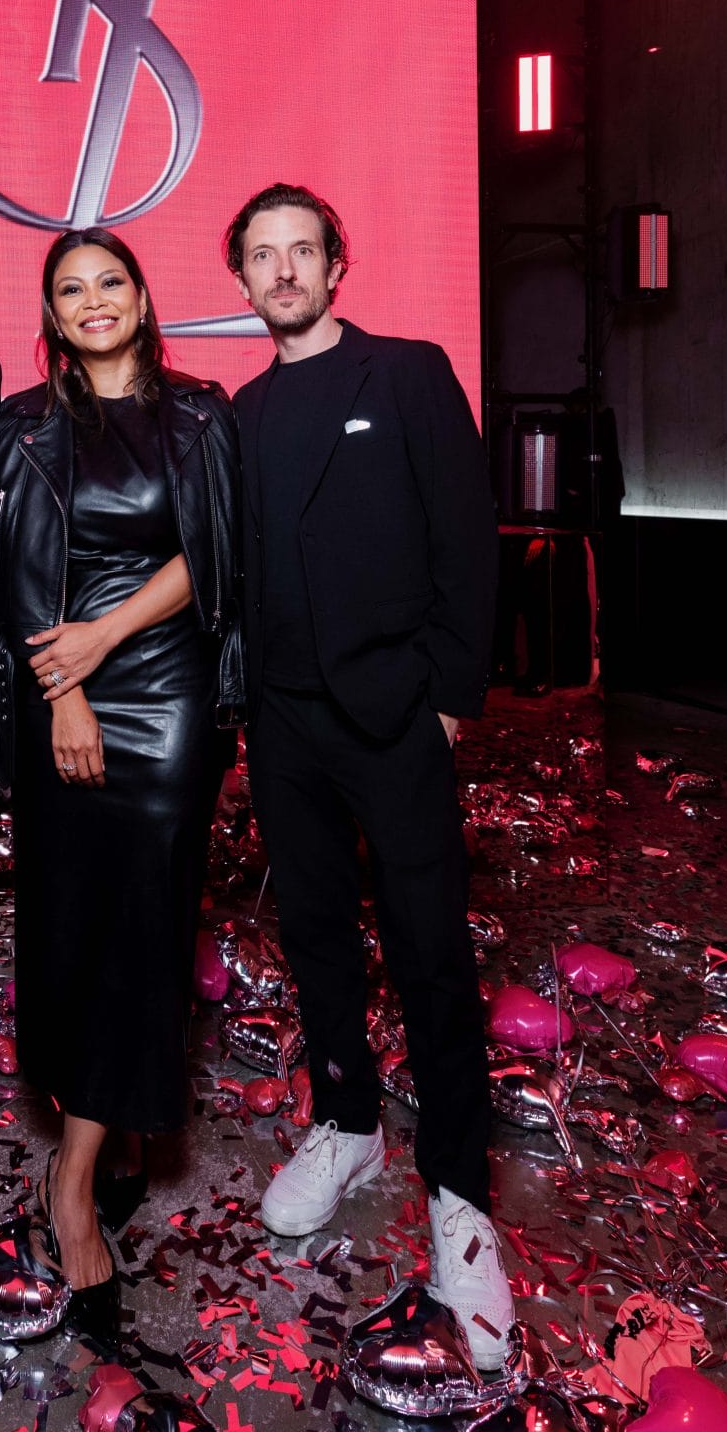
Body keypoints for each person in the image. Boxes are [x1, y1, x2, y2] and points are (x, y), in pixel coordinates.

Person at [222, 183, 513, 1370]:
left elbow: (467, 537)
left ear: (337, 266)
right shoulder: (236, 416)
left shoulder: (408, 374)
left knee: (433, 954)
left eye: (303, 250)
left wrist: (448, 703)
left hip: (396, 719)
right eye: (262, 255)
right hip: (284, 727)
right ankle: (345, 1123)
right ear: (241, 282)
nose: (283, 270)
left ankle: (461, 1191)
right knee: (317, 937)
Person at [0, 228, 241, 1344]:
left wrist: (106, 641)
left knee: (147, 924)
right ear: (53, 312)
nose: (92, 301)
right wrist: (63, 689)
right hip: (54, 694)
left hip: (166, 694)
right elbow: (8, 575)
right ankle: (104, 1135)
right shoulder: (19, 427)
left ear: (140, 293)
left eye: (109, 281)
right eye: (69, 288)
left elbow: (216, 549)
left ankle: (72, 1175)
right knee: (72, 922)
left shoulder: (203, 411)